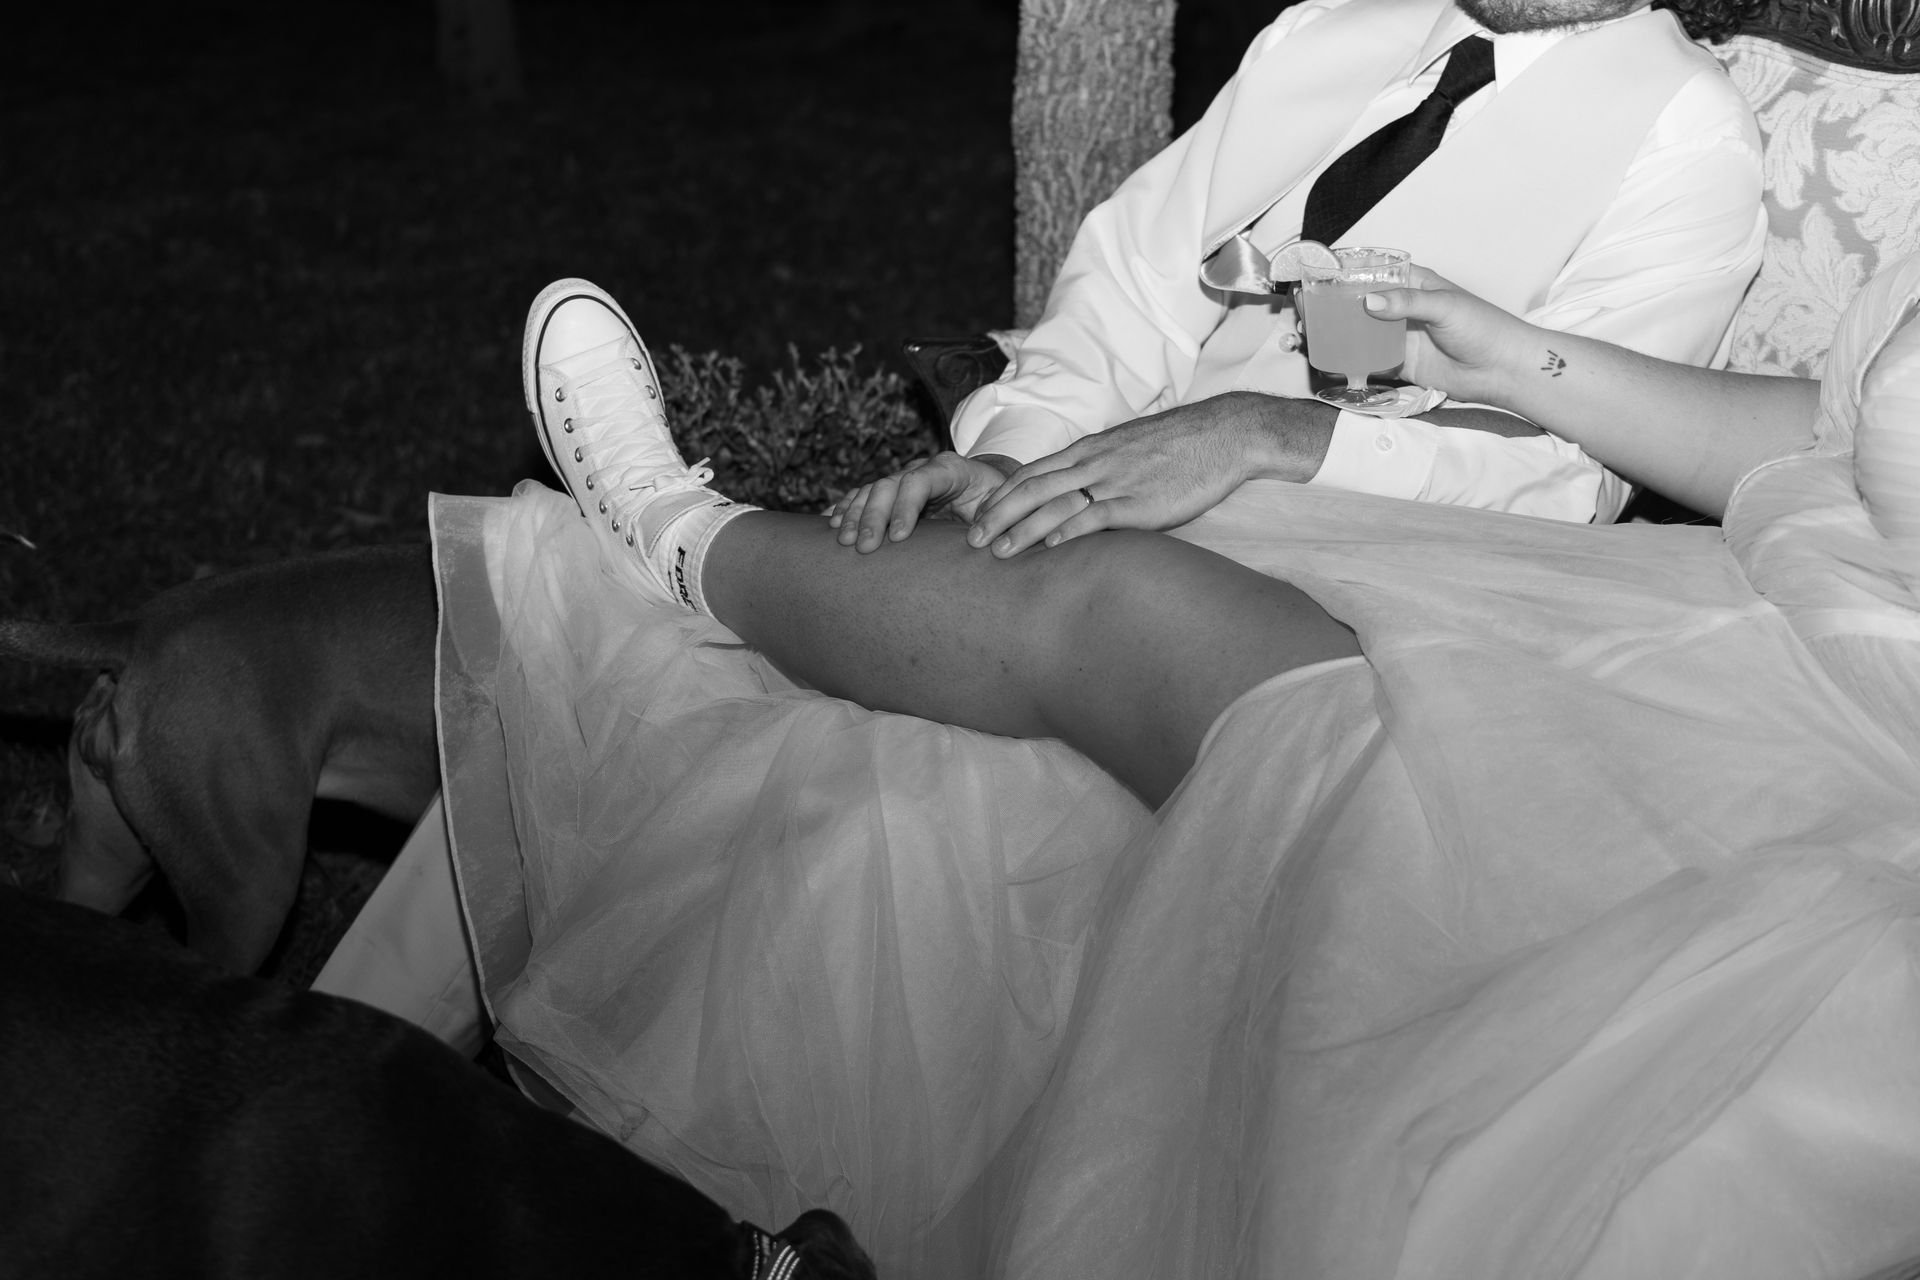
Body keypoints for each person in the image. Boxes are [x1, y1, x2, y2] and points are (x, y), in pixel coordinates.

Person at [409, 258, 1920, 1279]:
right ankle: (696, 545)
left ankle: (673, 536)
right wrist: (1510, 350)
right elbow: (1833, 443)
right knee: (1143, 604)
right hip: (1745, 636)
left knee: (1354, 873)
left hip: (1845, 774)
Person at [829, 0, 1766, 543]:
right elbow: (1137, 280)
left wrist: (1271, 435)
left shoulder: (1687, 135)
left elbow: (1576, 477)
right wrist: (1023, 456)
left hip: (1380, 555)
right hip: (1125, 475)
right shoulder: (1328, 26)